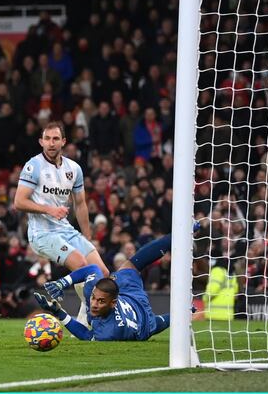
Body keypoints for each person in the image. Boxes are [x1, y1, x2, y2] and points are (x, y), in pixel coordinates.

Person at [14, 121, 109, 324]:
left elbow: (81, 204)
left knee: (102, 273)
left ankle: (93, 316)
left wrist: (88, 236)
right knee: (82, 265)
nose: (51, 143)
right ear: (41, 141)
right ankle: (85, 320)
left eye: (55, 138)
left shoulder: (73, 168)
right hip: (42, 233)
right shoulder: (34, 166)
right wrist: (49, 209)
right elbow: (19, 201)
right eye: (47, 138)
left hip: (65, 229)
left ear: (63, 141)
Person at [35, 230, 193, 341]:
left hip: (143, 322)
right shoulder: (94, 292)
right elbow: (93, 269)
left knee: (155, 324)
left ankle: (181, 233)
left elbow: (86, 336)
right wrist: (63, 282)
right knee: (131, 265)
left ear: (113, 303)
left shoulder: (109, 332)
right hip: (133, 296)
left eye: (100, 301)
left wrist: (59, 313)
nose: (94, 304)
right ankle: (178, 235)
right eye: (94, 299)